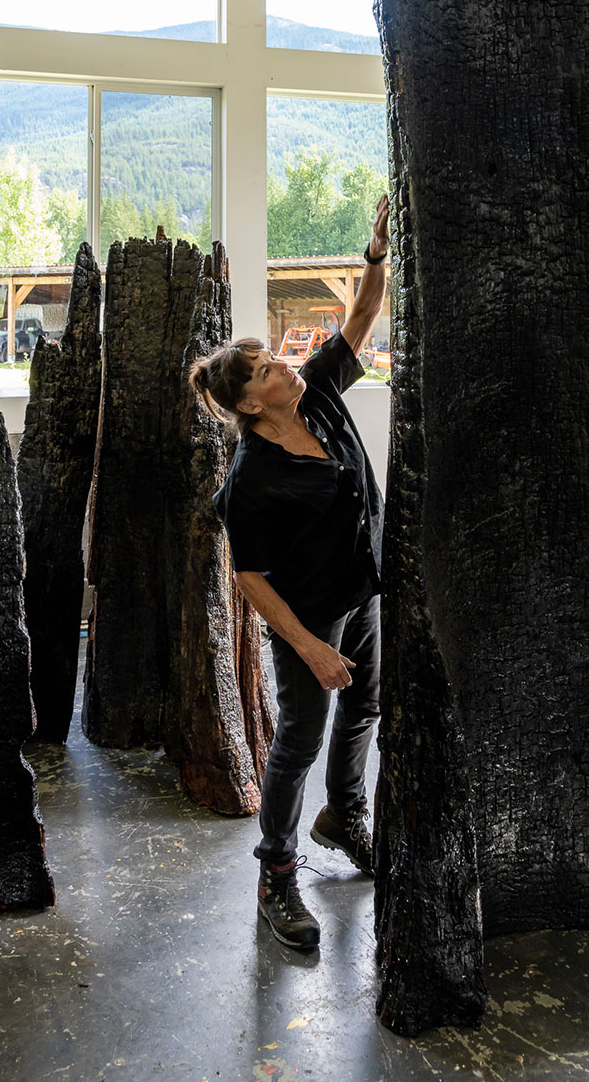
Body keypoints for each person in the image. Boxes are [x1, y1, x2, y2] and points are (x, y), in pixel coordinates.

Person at [188, 196, 389, 950]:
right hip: (306, 610)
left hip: (358, 585)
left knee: (366, 705)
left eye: (275, 359)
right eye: (267, 369)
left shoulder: (319, 390)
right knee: (299, 736)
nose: (282, 365)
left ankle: (345, 816)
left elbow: (362, 320)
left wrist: (372, 257)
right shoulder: (252, 478)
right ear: (247, 403)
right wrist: (308, 645)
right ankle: (276, 874)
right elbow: (249, 577)